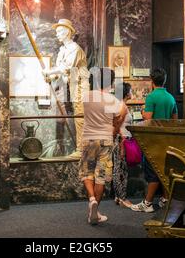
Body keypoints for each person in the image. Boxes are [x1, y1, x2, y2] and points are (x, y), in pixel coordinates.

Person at [131, 68, 178, 212]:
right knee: (164, 170)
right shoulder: (170, 97)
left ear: (152, 81)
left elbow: (148, 118)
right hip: (167, 140)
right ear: (164, 80)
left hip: (153, 140)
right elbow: (175, 120)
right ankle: (165, 199)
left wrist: (144, 110)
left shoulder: (151, 97)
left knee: (152, 172)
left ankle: (148, 203)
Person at [42, 19, 90, 159]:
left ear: (67, 32)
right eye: (56, 32)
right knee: (77, 116)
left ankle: (82, 150)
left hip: (81, 85)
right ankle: (81, 149)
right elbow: (60, 71)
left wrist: (49, 72)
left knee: (80, 117)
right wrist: (51, 76)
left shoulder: (74, 48)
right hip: (72, 84)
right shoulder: (63, 50)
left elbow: (67, 67)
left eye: (59, 32)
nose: (57, 34)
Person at [81, 68, 122, 225]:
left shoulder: (86, 97)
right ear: (111, 82)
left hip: (88, 138)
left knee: (87, 172)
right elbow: (116, 121)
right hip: (105, 140)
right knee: (101, 176)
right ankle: (95, 212)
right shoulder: (114, 100)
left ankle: (92, 200)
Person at [112, 82, 134, 208]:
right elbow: (116, 125)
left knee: (119, 168)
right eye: (131, 90)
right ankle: (122, 198)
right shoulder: (121, 106)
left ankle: (118, 196)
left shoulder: (119, 105)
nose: (132, 92)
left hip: (121, 139)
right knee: (121, 170)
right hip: (122, 140)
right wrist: (121, 142)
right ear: (126, 93)